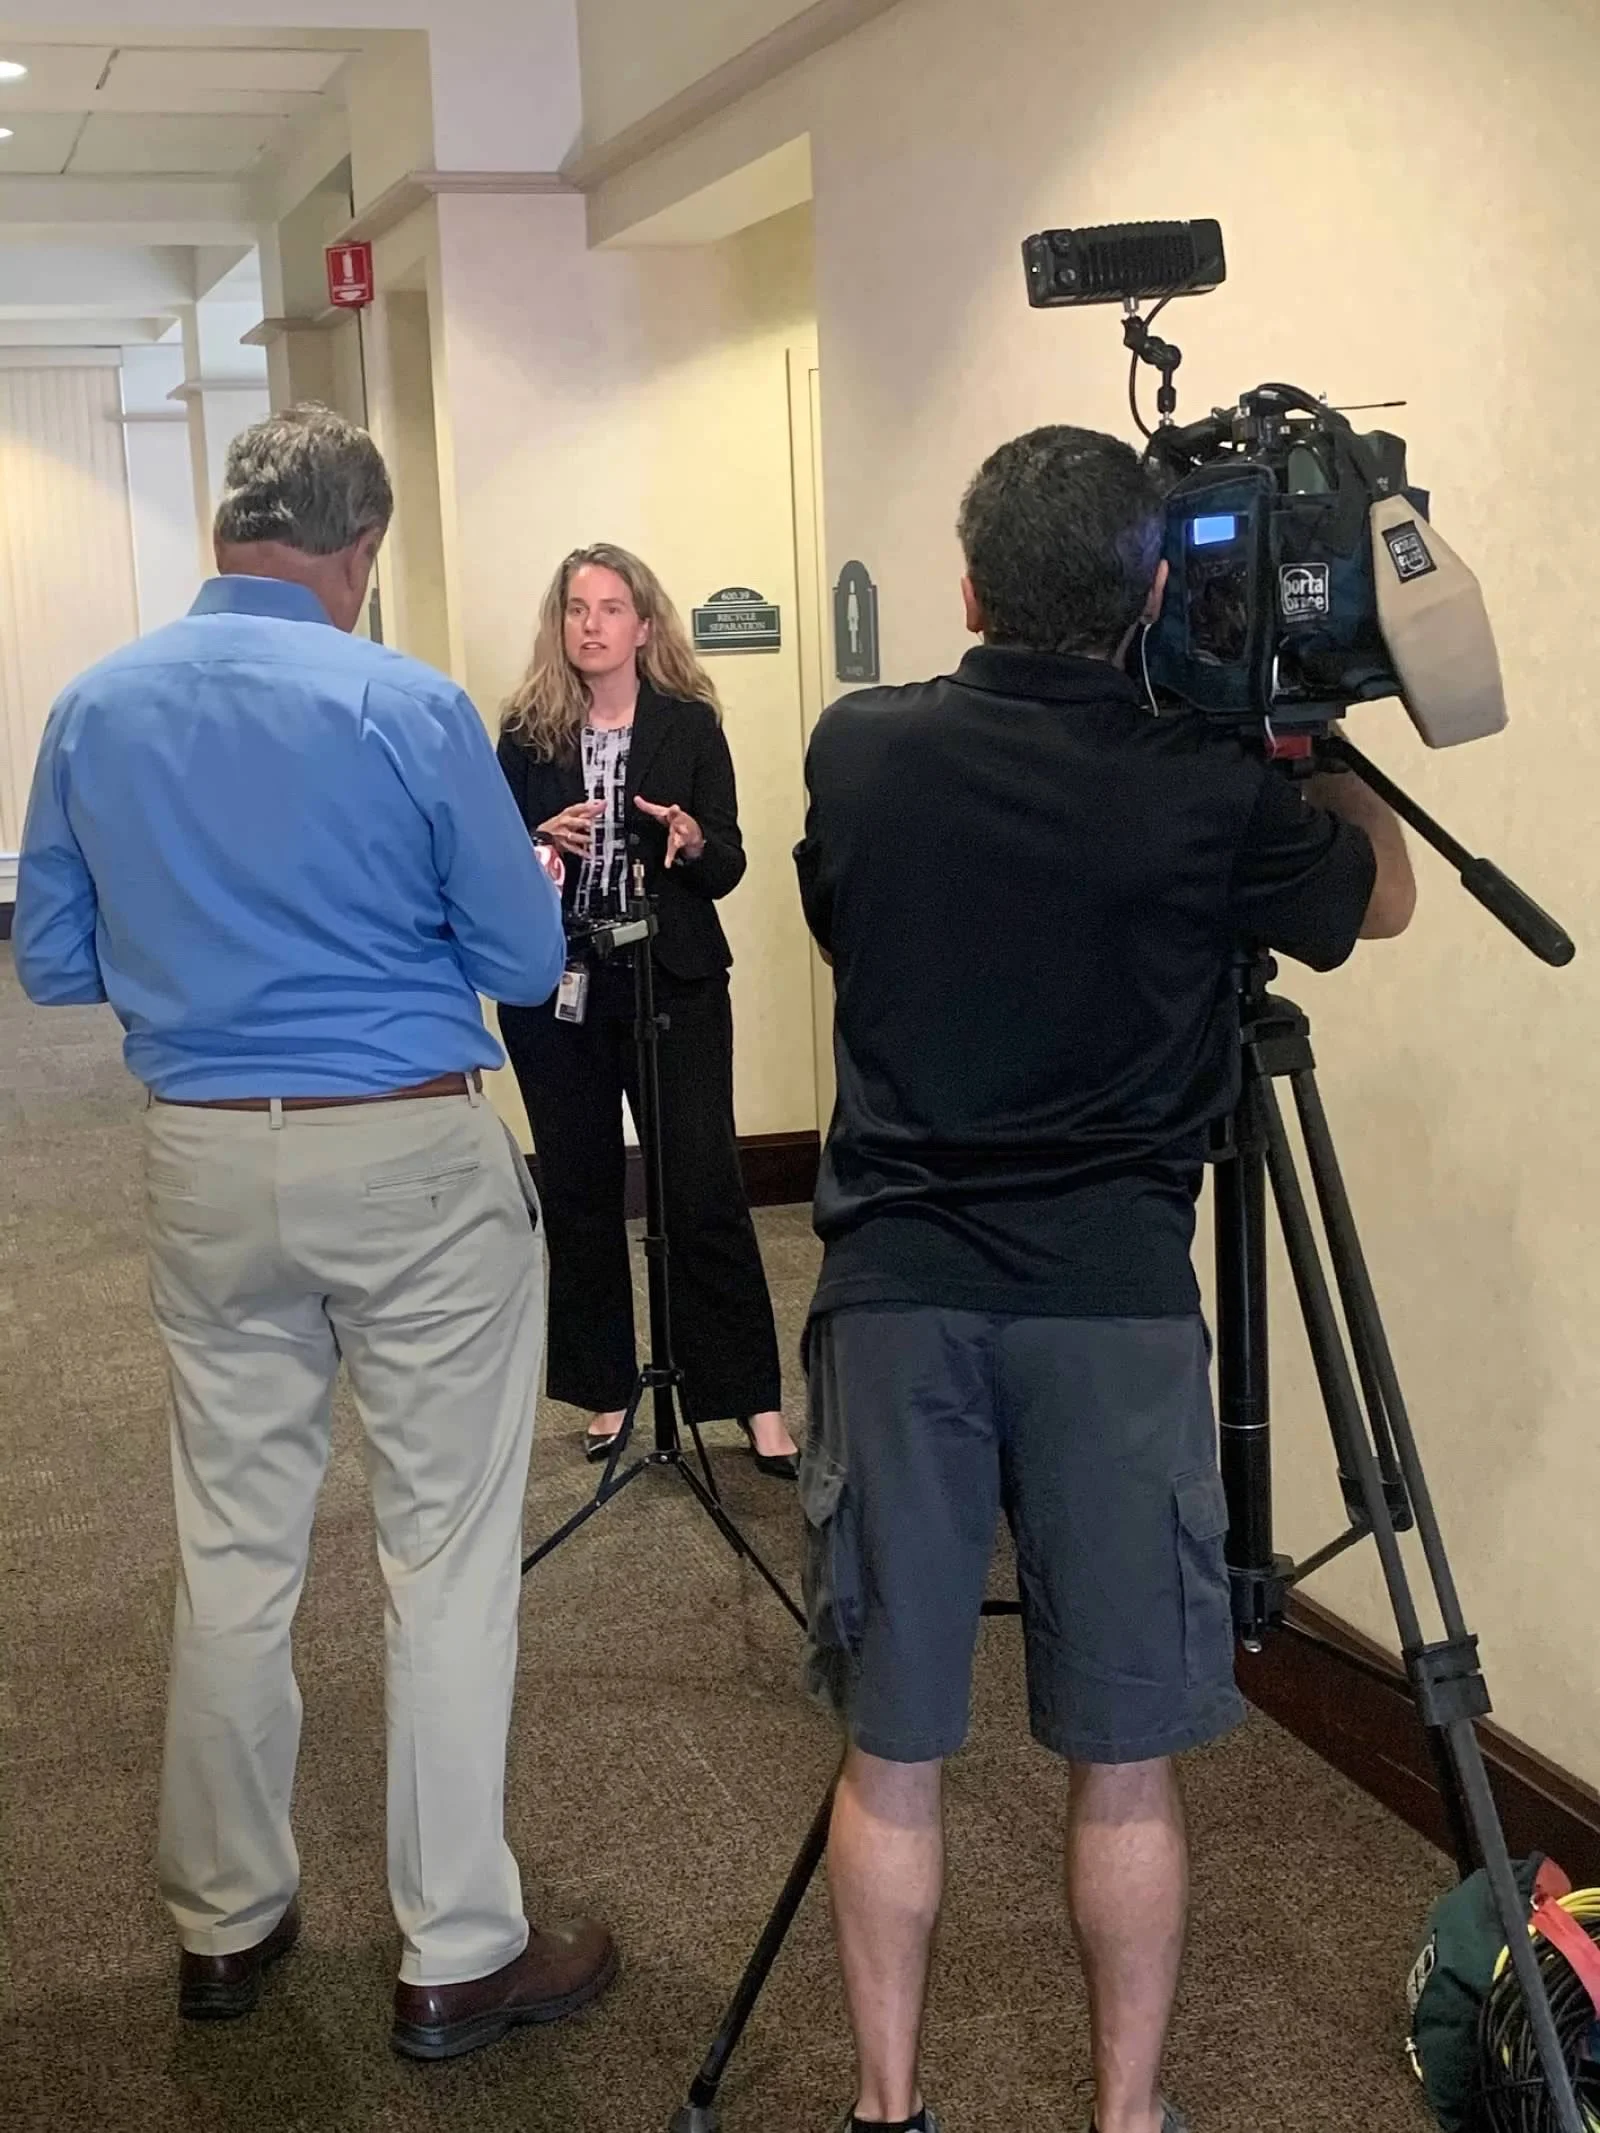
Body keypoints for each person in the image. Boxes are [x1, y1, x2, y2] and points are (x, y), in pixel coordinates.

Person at [792, 425, 1417, 2133]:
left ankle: (887, 2107)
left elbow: (849, 921)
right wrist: (1314, 711)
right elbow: (1382, 898)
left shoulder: (860, 750)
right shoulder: (1208, 793)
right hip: (1115, 1307)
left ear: (969, 588)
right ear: (1149, 593)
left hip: (899, 1292)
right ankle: (1126, 2116)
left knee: (892, 1746)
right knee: (1121, 1758)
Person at [12, 406, 617, 2061]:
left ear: (228, 529)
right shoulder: (404, 703)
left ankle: (226, 1921)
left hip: (204, 1153)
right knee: (444, 1555)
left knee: (231, 1543)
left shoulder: (93, 705)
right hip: (407, 1150)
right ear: (362, 550)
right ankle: (457, 1948)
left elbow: (52, 961)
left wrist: (203, 959)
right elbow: (518, 952)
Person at [496, 543, 798, 1476]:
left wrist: (694, 841)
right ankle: (603, 1385)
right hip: (562, 988)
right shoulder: (526, 734)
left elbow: (729, 861)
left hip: (674, 980)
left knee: (702, 1185)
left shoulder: (689, 724)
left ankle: (750, 1399)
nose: (591, 624)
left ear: (644, 625)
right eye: (576, 608)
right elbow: (483, 862)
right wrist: (535, 836)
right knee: (581, 1188)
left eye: (610, 608)